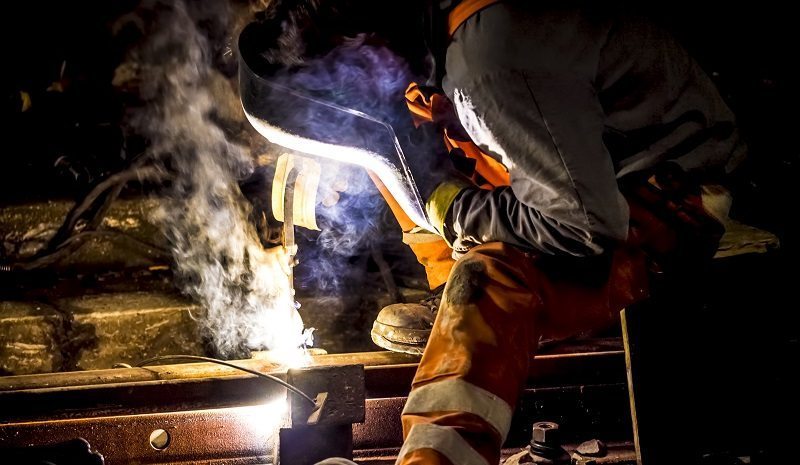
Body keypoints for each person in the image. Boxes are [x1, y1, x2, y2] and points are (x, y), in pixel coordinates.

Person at [240, 1, 743, 463]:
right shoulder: (447, 33)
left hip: (667, 203)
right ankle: (447, 288)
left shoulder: (489, 63)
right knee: (414, 137)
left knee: (486, 277)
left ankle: (436, 457)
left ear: (359, 41)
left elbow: (583, 227)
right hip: (595, 169)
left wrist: (455, 211)